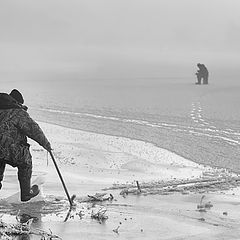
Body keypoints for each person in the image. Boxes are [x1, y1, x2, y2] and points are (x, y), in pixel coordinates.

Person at [0, 89, 52, 201]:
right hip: (11, 149)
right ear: (17, 102)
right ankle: (26, 193)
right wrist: (46, 144)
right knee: (25, 163)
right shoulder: (18, 112)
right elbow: (34, 130)